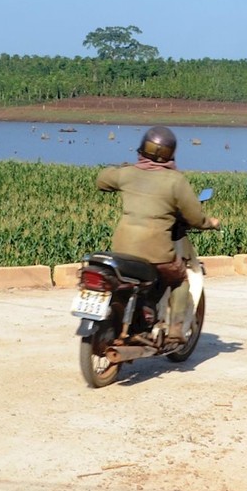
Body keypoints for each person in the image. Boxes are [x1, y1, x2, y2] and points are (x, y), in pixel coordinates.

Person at [95, 126, 220, 342]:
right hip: (157, 252)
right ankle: (176, 331)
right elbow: (194, 217)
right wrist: (211, 223)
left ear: (142, 148)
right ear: (170, 154)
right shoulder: (175, 181)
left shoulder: (127, 174)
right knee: (180, 279)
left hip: (122, 250)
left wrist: (126, 169)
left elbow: (102, 180)